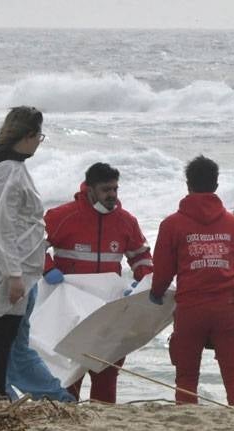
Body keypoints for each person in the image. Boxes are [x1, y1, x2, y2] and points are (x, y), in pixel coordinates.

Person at [0, 115, 73, 402]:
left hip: (17, 263)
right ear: (26, 136)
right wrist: (13, 276)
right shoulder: (10, 172)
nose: (39, 142)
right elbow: (3, 225)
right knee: (3, 337)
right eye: (39, 136)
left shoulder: (5, 169)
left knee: (5, 336)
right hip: (13, 267)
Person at [43, 162, 153, 403]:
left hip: (108, 310)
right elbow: (32, 244)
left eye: (115, 189)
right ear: (90, 189)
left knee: (107, 369)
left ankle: (102, 415)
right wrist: (47, 268)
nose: (112, 195)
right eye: (106, 190)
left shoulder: (126, 221)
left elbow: (141, 255)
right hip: (70, 310)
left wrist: (142, 280)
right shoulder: (62, 216)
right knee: (69, 368)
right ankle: (67, 412)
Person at [150, 155, 234, 405]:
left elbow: (162, 269)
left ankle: (186, 420)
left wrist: (156, 292)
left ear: (188, 184)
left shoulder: (171, 225)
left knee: (186, 377)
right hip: (227, 308)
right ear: (216, 184)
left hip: (190, 308)